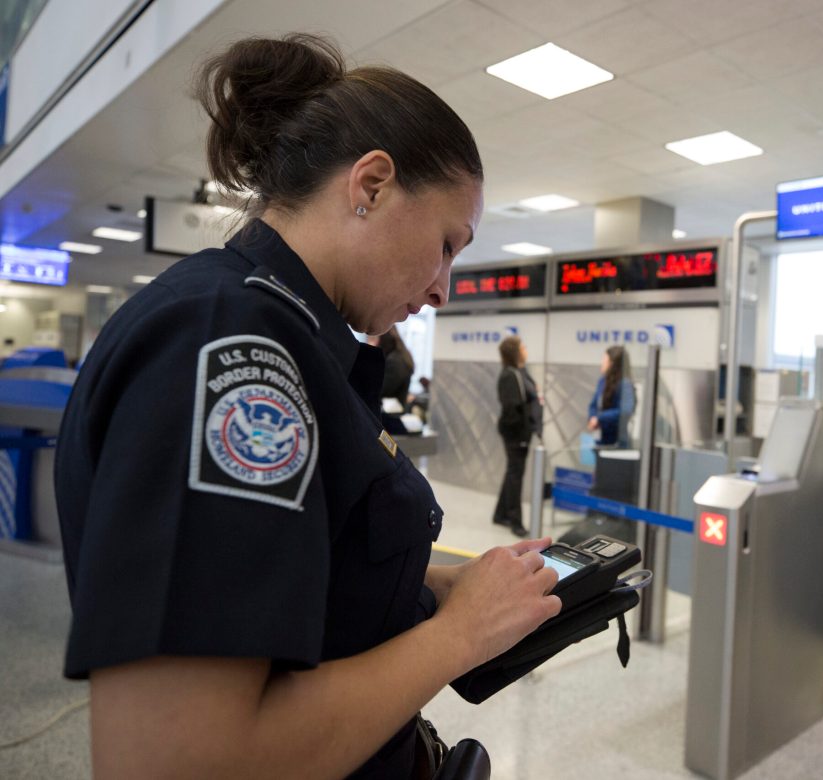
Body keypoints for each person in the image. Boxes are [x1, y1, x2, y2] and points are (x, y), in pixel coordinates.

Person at [53, 34, 560, 780]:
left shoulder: (290, 336)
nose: (442, 288)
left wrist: (426, 586)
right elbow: (175, 760)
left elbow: (291, 571)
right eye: (448, 244)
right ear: (373, 185)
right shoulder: (230, 348)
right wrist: (459, 634)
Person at [493, 335, 542, 537]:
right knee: (516, 475)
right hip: (516, 434)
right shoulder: (509, 376)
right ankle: (515, 521)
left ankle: (500, 514)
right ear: (515, 351)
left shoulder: (522, 372)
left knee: (513, 472)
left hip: (522, 432)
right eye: (523, 346)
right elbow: (511, 409)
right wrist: (522, 432)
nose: (525, 348)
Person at [587, 345, 636, 448]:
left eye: (604, 359)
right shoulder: (602, 382)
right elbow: (593, 405)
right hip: (601, 441)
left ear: (612, 363)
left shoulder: (625, 384)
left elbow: (625, 411)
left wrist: (600, 418)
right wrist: (592, 418)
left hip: (617, 443)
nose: (602, 363)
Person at [378, 327, 415, 408]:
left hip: (390, 412)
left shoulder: (395, 360)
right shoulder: (401, 356)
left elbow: (383, 390)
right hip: (394, 409)